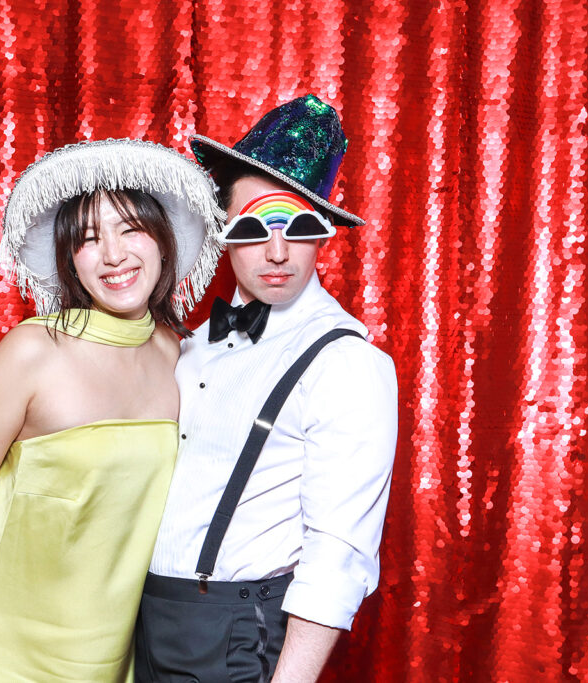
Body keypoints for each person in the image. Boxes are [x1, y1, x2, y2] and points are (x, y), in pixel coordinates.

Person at [0, 139, 222, 683]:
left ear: (163, 240)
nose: (113, 254)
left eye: (130, 228)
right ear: (69, 259)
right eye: (88, 238)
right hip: (4, 651)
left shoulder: (182, 357)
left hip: (117, 656)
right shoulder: (33, 351)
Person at [135, 95, 399, 682]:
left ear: (323, 234)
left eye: (298, 226)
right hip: (143, 624)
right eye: (254, 227)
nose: (277, 252)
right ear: (223, 231)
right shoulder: (191, 346)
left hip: (239, 636)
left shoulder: (347, 364)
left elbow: (338, 555)